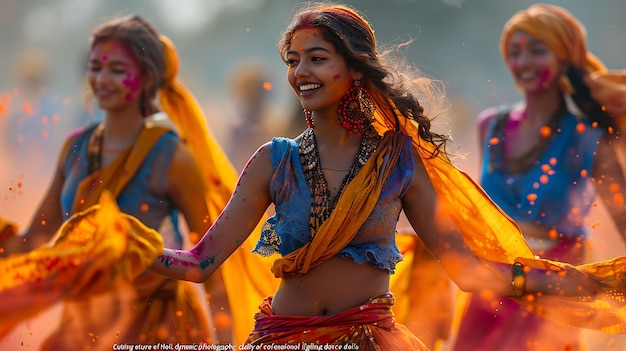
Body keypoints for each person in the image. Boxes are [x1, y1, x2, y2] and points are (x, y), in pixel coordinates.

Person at [147, 3, 626, 349]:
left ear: (354, 69)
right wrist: (135, 248)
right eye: (292, 61)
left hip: (369, 340)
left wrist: (576, 281)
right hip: (282, 340)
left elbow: (465, 270)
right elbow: (199, 263)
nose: (299, 73)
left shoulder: (396, 161)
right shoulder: (273, 161)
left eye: (317, 58)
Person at [0, 15, 231, 348]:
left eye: (118, 70)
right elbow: (35, 240)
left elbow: (208, 265)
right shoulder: (76, 148)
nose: (102, 79)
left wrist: (226, 341)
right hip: (84, 326)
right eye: (95, 67)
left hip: (157, 326)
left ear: (148, 78)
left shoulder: (171, 157)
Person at [451, 4, 626, 350]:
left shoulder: (588, 138)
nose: (523, 62)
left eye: (537, 50)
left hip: (554, 287)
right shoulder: (490, 125)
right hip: (493, 282)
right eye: (514, 52)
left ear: (564, 56)